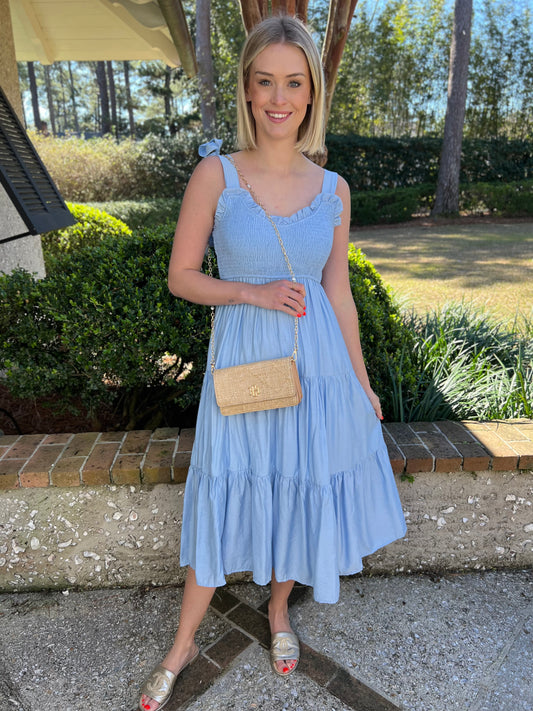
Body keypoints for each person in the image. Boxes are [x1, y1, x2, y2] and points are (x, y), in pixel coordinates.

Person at [139, 14, 406, 711]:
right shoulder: (215, 175)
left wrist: (360, 379)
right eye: (265, 82)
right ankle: (182, 644)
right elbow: (180, 276)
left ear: (312, 92)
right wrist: (248, 291)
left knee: (296, 485)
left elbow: (337, 293)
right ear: (248, 90)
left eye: (294, 82)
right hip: (245, 366)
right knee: (225, 491)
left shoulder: (334, 189)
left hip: (314, 367)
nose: (279, 98)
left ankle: (279, 610)